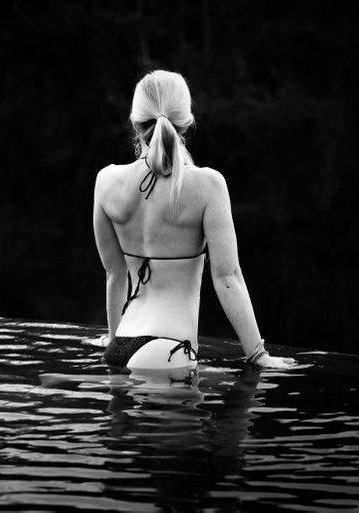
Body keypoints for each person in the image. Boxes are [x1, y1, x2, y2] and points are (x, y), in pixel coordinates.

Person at [93, 70, 295, 372]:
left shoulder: (107, 180)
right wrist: (257, 354)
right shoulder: (208, 185)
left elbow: (114, 275)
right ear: (187, 122)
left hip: (121, 344)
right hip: (169, 348)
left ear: (135, 122)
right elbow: (228, 279)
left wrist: (113, 340)